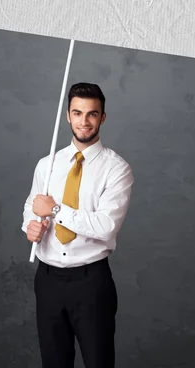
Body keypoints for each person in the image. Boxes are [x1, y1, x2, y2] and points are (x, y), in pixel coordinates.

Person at [21, 82, 134, 368]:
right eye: (78, 113)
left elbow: (106, 225)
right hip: (47, 281)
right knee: (54, 362)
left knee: (98, 362)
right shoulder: (47, 164)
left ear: (102, 118)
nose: (84, 121)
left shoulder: (116, 168)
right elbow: (32, 207)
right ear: (68, 116)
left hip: (91, 283)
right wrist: (29, 227)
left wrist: (57, 210)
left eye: (92, 114)